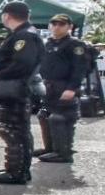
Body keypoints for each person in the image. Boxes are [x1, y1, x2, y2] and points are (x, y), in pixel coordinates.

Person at [0, 2, 43, 184]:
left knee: (13, 131)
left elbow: (21, 65)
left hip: (17, 89)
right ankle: (18, 169)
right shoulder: (25, 34)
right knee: (18, 131)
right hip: (17, 88)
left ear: (7, 15)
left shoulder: (24, 36)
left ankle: (16, 173)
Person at [34, 14, 85, 163]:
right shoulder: (47, 43)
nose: (56, 27)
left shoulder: (75, 44)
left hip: (65, 86)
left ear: (69, 27)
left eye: (61, 24)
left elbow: (79, 69)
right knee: (44, 115)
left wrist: (72, 88)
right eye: (53, 24)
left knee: (60, 118)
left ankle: (63, 153)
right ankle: (50, 148)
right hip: (48, 85)